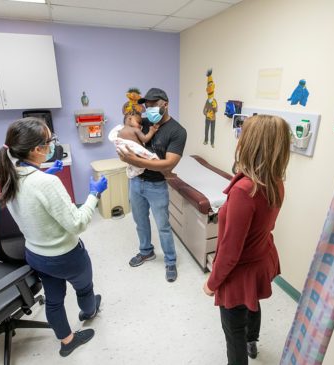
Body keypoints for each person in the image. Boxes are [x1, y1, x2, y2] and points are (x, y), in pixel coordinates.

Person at [0, 117, 108, 358]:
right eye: (49, 141)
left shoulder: (10, 175)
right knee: (84, 288)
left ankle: (67, 342)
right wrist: (93, 194)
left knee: (54, 300)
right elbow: (77, 223)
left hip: (37, 256)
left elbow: (32, 196)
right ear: (37, 149)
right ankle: (89, 313)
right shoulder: (47, 183)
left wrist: (44, 172)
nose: (52, 145)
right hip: (67, 257)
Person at [202, 115, 291, 365]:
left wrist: (211, 283)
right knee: (251, 303)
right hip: (262, 256)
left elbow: (230, 252)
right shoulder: (274, 180)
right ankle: (253, 341)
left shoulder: (245, 191)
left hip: (241, 269)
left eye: (242, 135)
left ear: (250, 143)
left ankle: (245, 346)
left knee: (234, 332)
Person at [116, 88, 187, 282]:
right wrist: (122, 151)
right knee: (140, 221)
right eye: (147, 106)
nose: (150, 109)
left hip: (156, 186)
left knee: (163, 226)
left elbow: (169, 163)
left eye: (154, 105)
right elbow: (125, 136)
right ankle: (146, 251)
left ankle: (170, 260)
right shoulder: (143, 122)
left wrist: (139, 162)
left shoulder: (177, 131)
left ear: (166, 104)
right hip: (135, 182)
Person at [109, 112, 162, 178]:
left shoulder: (119, 131)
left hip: (129, 154)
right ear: (130, 118)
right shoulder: (135, 130)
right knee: (152, 159)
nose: (140, 126)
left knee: (136, 164)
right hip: (137, 153)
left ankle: (136, 169)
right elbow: (145, 139)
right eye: (139, 122)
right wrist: (151, 132)